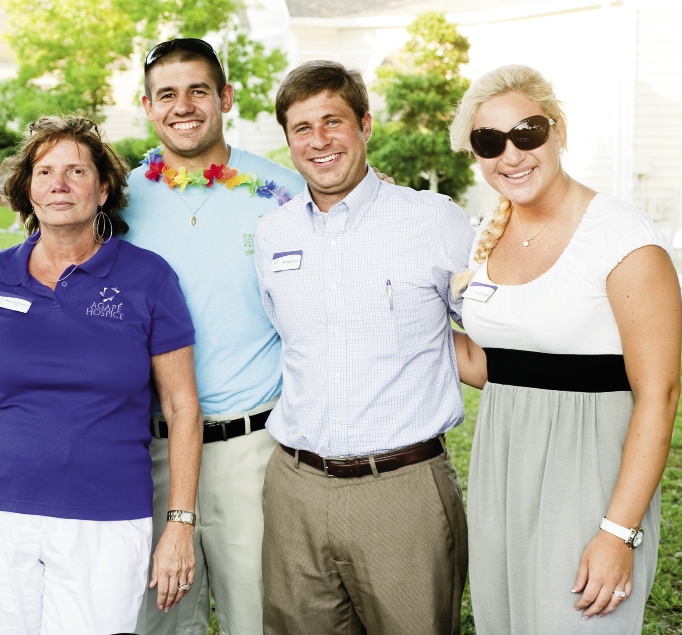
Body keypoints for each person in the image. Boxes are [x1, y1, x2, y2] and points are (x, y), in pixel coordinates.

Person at [0, 114, 203, 634]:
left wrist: (179, 524)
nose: (59, 183)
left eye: (77, 171)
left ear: (103, 191)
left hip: (105, 513)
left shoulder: (148, 277)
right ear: (28, 191)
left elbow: (182, 407)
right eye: (44, 171)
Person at [447, 65, 680, 633]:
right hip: (503, 480)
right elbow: (491, 365)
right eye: (489, 141)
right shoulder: (492, 237)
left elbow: (661, 392)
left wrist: (616, 532)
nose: (511, 154)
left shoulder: (622, 237)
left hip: (590, 487)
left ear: (559, 132)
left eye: (526, 132)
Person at [254, 60, 473, 635]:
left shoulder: (433, 220)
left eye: (333, 121)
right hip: (295, 489)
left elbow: (489, 331)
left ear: (366, 125)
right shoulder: (274, 233)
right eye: (302, 128)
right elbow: (286, 332)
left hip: (402, 490)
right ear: (288, 140)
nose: (319, 140)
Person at [127, 38, 305, 634]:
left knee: (256, 615)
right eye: (167, 94)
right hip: (147, 450)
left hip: (248, 448)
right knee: (155, 621)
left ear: (225, 97)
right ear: (147, 107)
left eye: (198, 90)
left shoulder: (286, 194)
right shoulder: (116, 200)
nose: (184, 106)